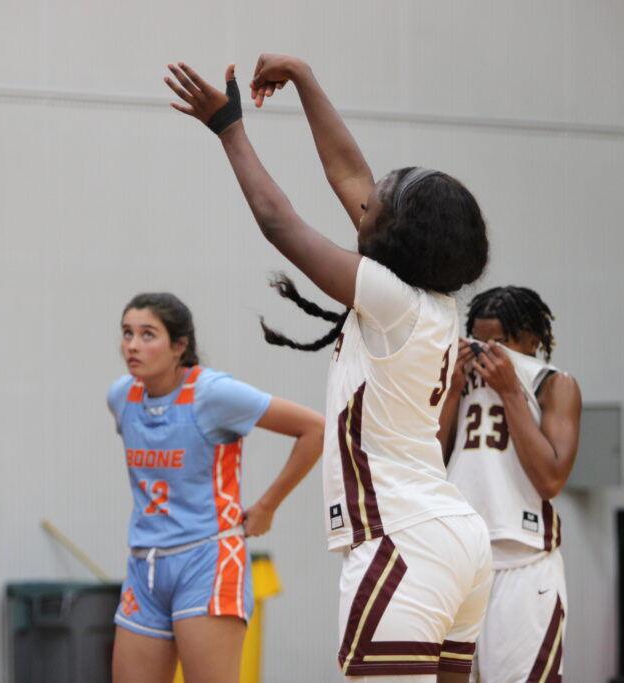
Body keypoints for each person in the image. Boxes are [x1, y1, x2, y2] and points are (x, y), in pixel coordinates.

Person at [164, 54, 492, 682]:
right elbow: (349, 173)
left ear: (393, 232)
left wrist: (229, 128)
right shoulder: (432, 303)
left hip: (403, 539)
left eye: (378, 201)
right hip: (454, 539)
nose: (365, 199)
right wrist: (305, 79)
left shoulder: (393, 302)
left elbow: (277, 222)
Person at [109, 292, 323, 683]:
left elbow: (315, 428)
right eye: (127, 333)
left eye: (147, 334)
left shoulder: (213, 395)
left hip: (206, 560)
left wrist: (267, 506)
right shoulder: (122, 396)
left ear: (179, 346)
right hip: (145, 565)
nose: (133, 345)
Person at [438, 286, 581, 683]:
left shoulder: (554, 385)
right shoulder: (458, 379)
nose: (487, 352)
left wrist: (509, 391)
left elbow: (550, 478)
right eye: (479, 340)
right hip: (461, 560)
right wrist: (451, 390)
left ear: (531, 341)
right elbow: (427, 466)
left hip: (524, 561)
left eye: (499, 342)